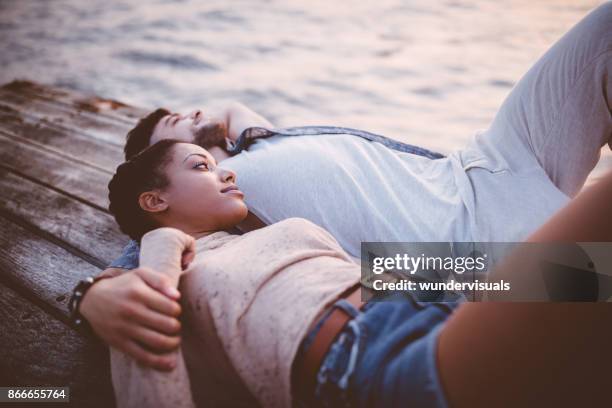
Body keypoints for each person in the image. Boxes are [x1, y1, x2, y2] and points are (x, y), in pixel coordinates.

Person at [78, 1, 612, 375]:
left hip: (484, 163)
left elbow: (234, 110)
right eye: (170, 123)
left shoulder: (255, 148)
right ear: (158, 170)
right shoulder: (222, 209)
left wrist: (217, 135)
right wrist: (91, 295)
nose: (188, 110)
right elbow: (153, 245)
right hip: (471, 253)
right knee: (598, 273)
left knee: (603, 34)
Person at [107, 138, 612, 408]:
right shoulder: (163, 250)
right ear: (155, 201)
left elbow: (384, 274)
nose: (227, 171)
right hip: (371, 358)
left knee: (594, 274)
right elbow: (149, 371)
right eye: (201, 167)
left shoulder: (265, 241)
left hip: (421, 304)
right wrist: (94, 293)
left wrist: (517, 267)